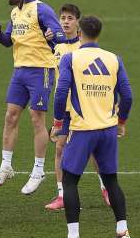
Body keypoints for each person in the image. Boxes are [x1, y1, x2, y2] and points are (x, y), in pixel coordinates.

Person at [52, 16, 133, 238]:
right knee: (111, 180)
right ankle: (122, 229)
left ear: (80, 32)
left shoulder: (70, 58)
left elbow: (61, 93)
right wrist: (121, 122)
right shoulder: (113, 59)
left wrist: (59, 122)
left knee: (69, 181)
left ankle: (73, 234)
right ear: (99, 34)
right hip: (107, 130)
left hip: (82, 130)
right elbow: (127, 95)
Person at [0, 0, 65, 194]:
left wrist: (53, 34)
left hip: (40, 70)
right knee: (10, 115)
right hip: (20, 71)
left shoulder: (42, 9)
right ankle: (6, 166)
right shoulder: (15, 12)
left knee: (36, 118)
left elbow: (60, 34)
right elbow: (9, 41)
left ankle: (38, 170)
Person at [45, 4, 110, 211]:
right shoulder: (57, 46)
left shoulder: (83, 48)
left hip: (84, 108)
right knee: (60, 147)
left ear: (78, 23)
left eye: (70, 18)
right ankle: (63, 195)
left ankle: (105, 188)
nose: (65, 21)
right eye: (62, 17)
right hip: (64, 108)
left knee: (93, 151)